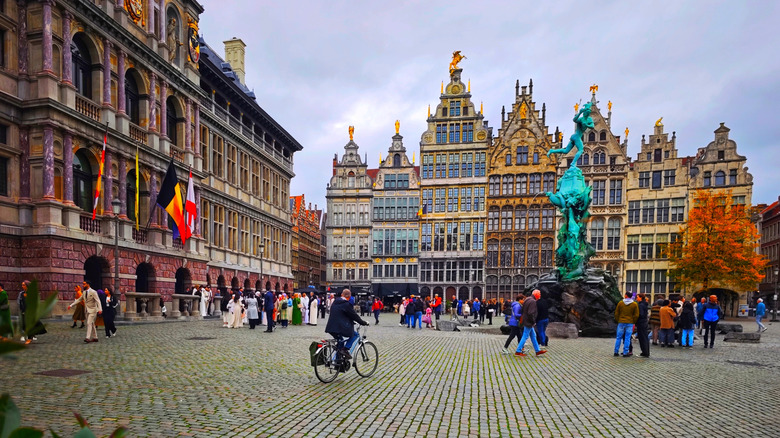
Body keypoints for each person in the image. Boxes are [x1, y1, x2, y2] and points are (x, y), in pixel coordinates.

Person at [325, 289, 369, 359]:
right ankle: (345, 349)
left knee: (340, 342)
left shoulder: (335, 302)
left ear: (342, 295)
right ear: (349, 296)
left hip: (331, 327)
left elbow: (340, 314)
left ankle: (338, 362)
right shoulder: (346, 304)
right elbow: (354, 315)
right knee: (355, 335)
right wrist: (363, 322)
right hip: (340, 327)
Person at [516, 290, 546, 357]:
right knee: (525, 336)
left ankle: (537, 350)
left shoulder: (527, 299)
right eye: (539, 294)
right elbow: (531, 313)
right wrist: (533, 321)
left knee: (533, 336)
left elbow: (523, 310)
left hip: (526, 321)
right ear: (536, 295)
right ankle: (518, 350)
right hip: (529, 322)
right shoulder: (533, 301)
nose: (540, 295)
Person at [613, 291, 639, 357]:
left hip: (621, 322)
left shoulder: (620, 303)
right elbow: (636, 315)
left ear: (626, 295)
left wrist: (618, 320)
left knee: (618, 337)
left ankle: (616, 351)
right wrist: (633, 321)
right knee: (627, 338)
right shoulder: (634, 304)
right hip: (630, 322)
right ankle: (625, 352)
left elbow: (616, 313)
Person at [635, 293, 650, 357]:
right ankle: (646, 351)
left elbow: (641, 314)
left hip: (641, 323)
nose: (636, 298)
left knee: (642, 338)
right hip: (644, 322)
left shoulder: (641, 305)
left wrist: (636, 319)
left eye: (637, 297)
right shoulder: (645, 304)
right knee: (645, 337)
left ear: (641, 298)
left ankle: (644, 352)